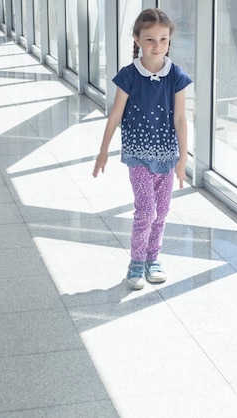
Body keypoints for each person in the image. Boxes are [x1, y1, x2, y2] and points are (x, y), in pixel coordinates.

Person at [92, 8, 192, 290]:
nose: (157, 46)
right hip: (137, 153)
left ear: (169, 40)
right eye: (150, 39)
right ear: (137, 39)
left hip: (166, 155)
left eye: (163, 39)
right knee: (146, 211)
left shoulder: (176, 75)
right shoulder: (129, 76)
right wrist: (103, 151)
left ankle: (153, 259)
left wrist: (183, 158)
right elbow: (115, 114)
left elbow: (181, 118)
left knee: (161, 212)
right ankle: (136, 262)